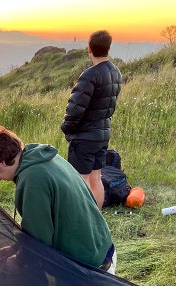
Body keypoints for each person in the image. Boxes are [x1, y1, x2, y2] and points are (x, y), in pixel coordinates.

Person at [0, 126, 117, 286]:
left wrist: (16, 261)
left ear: (1, 161)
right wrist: (15, 248)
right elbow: (38, 225)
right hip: (102, 249)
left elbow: (39, 242)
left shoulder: (32, 178)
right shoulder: (44, 156)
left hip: (87, 272)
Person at [61, 30, 122, 210]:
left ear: (89, 48)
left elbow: (75, 109)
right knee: (96, 177)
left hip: (85, 136)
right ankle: (97, 216)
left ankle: (84, 219)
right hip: (103, 134)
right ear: (108, 48)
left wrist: (67, 128)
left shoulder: (89, 75)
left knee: (81, 180)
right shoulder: (116, 72)